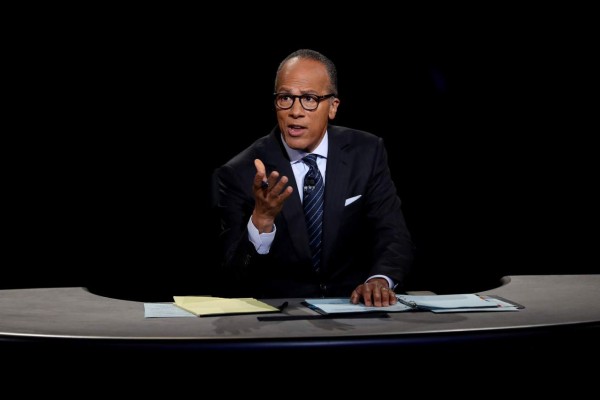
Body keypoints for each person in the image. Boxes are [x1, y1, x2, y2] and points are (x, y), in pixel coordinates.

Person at [212, 49, 414, 306]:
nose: (295, 111)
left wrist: (379, 281)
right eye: (285, 98)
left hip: (355, 312)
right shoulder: (239, 172)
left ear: (332, 107)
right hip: (280, 321)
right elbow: (231, 277)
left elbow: (393, 235)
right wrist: (261, 220)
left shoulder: (366, 152)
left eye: (309, 98)